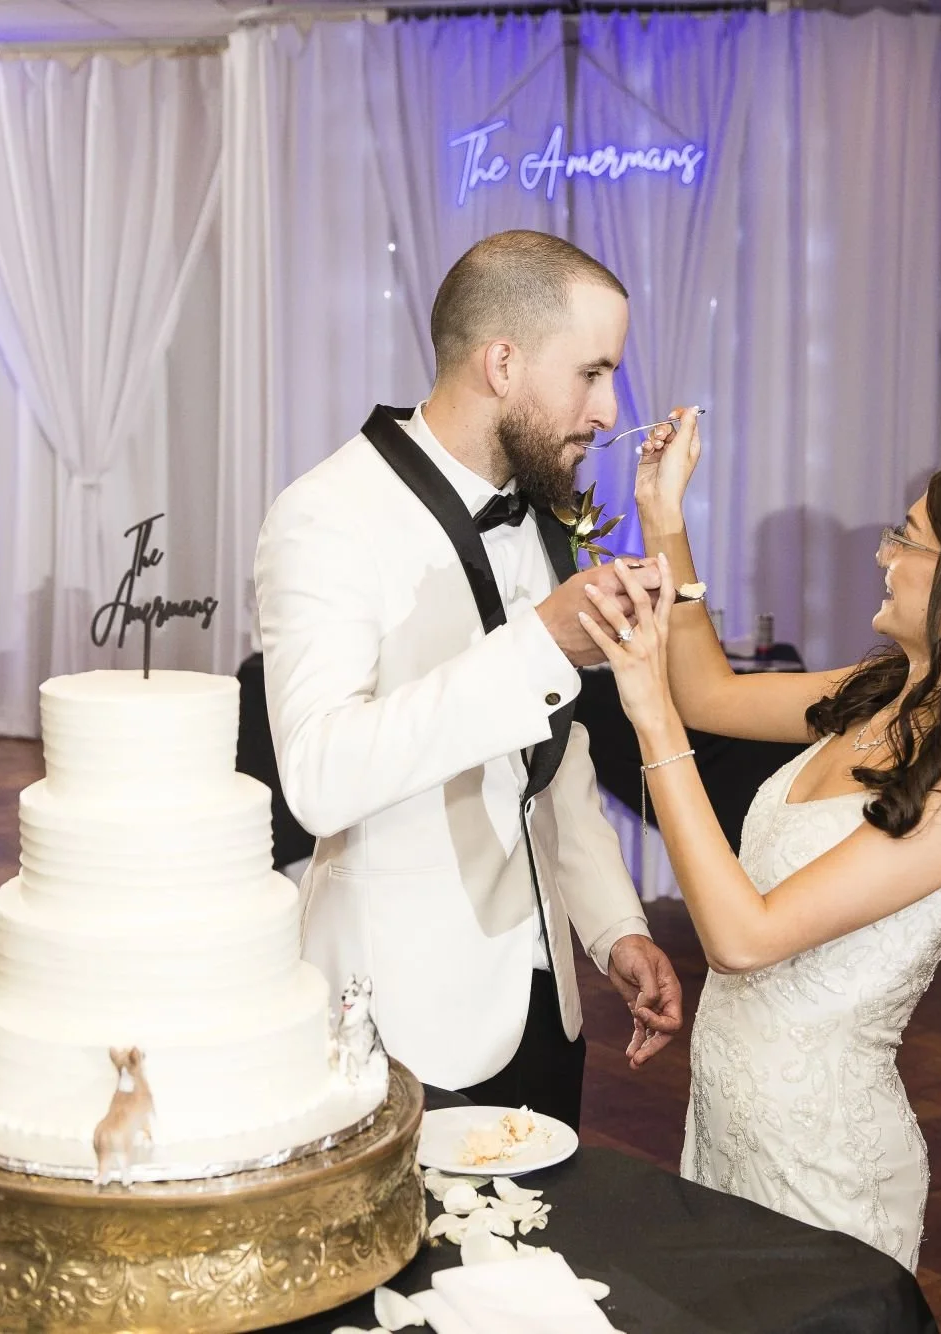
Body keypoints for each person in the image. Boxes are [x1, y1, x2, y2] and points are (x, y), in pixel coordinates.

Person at [581, 408, 941, 1269]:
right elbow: (709, 693)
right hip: (728, 1117)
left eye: (908, 537)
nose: (882, 552)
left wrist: (648, 719)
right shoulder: (881, 687)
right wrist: (663, 514)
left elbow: (743, 937)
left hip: (822, 1160)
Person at [254, 231, 685, 1128]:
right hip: (403, 1022)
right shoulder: (326, 516)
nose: (610, 411)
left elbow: (551, 758)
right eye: (593, 373)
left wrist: (615, 928)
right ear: (502, 363)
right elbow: (319, 778)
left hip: (546, 1011)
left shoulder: (546, 507)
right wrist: (540, 645)